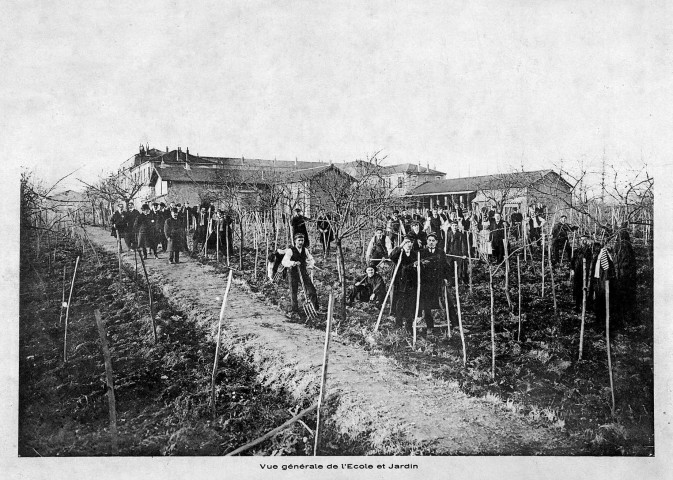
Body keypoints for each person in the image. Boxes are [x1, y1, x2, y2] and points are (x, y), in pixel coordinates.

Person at [419, 232, 451, 335]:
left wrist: (446, 278)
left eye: (433, 241)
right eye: (429, 241)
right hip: (426, 283)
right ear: (426, 242)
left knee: (446, 301)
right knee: (427, 305)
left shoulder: (441, 252)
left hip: (438, 282)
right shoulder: (422, 252)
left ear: (436, 242)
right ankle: (429, 326)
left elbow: (446, 266)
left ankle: (454, 324)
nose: (431, 242)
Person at [282, 233, 318, 313]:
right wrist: (293, 263)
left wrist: (310, 266)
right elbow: (284, 262)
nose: (301, 242)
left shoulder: (305, 250)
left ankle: (314, 309)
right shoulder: (290, 251)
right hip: (293, 273)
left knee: (312, 290)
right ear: (295, 241)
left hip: (303, 272)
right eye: (299, 240)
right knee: (293, 292)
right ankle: (295, 311)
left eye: (302, 240)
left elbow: (311, 259)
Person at [388, 236, 418, 333]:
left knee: (410, 304)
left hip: (411, 283)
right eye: (407, 242)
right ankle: (398, 324)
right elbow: (391, 256)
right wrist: (400, 246)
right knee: (399, 304)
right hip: (400, 283)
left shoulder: (414, 254)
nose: (409, 244)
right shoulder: (399, 253)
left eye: (411, 242)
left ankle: (409, 326)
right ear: (404, 243)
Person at [613, 224, 637, 325]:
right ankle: (625, 317)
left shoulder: (623, 245)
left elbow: (622, 260)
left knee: (624, 295)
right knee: (626, 296)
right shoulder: (625, 244)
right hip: (626, 274)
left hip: (624, 274)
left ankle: (625, 317)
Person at [570, 234, 593, 313]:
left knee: (585, 288)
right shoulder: (577, 251)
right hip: (577, 272)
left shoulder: (589, 251)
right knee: (577, 288)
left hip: (585, 273)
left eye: (585, 240)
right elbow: (572, 261)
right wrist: (572, 270)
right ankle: (577, 305)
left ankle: (585, 306)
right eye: (582, 240)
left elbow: (590, 262)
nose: (583, 241)